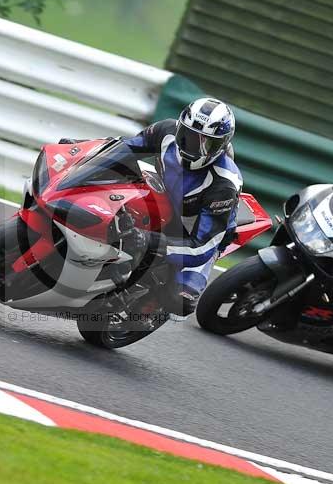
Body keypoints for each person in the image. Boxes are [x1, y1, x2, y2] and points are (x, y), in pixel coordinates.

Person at [64, 97, 242, 319]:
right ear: (179, 128)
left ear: (222, 145)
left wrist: (149, 241)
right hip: (160, 193)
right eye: (188, 137)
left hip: (194, 230)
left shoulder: (223, 185)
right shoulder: (166, 130)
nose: (195, 147)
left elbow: (200, 247)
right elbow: (125, 147)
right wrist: (83, 152)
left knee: (180, 300)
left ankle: (138, 305)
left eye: (207, 143)